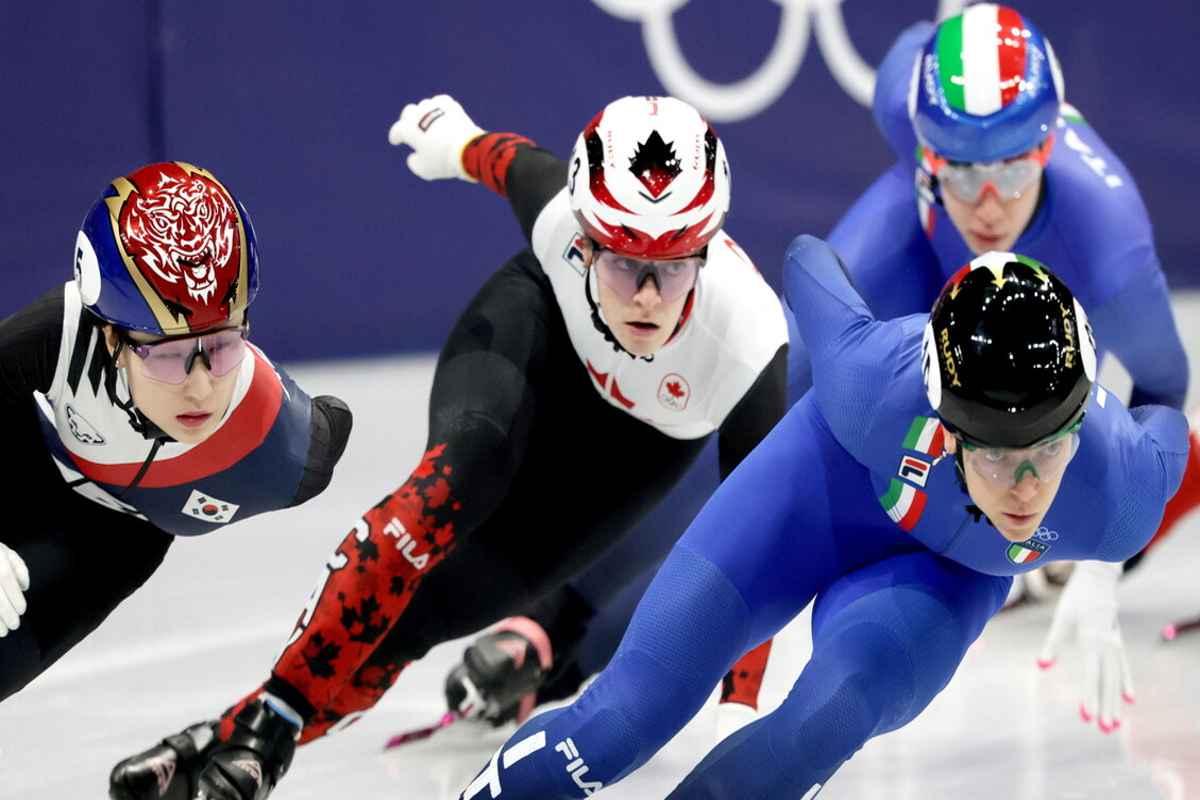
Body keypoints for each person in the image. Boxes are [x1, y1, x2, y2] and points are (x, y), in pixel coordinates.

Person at [109, 96, 788, 800]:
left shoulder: (747, 345)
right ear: (582, 240)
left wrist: (739, 707)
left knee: (420, 622)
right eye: (622, 263)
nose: (645, 296)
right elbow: (504, 159)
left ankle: (236, 735)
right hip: (538, 338)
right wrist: (454, 140)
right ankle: (268, 728)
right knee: (446, 494)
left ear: (707, 251)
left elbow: (758, 550)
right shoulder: (559, 213)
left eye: (672, 267)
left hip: (634, 450)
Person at [457, 238, 1189, 800]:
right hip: (817, 493)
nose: (1024, 489)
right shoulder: (871, 380)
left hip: (940, 578)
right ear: (945, 422)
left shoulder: (1120, 493)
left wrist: (1096, 583)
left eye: (1049, 449)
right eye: (995, 455)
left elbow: (1166, 409)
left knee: (823, 720)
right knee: (627, 715)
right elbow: (809, 258)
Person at [716, 2, 1198, 736]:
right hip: (916, 238)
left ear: (1047, 148)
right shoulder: (903, 97)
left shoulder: (1107, 236)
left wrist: (1111, 556)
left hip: (1035, 293)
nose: (989, 202)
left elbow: (1165, 388)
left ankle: (1043, 540)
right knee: (792, 364)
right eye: (961, 170)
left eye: (1012, 169)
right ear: (924, 147)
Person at [0, 161, 352, 705]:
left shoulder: (284, 448)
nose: (201, 388)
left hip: (111, 539)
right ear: (111, 338)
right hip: (20, 458)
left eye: (222, 347)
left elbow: (336, 423)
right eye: (166, 356)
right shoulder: (63, 335)